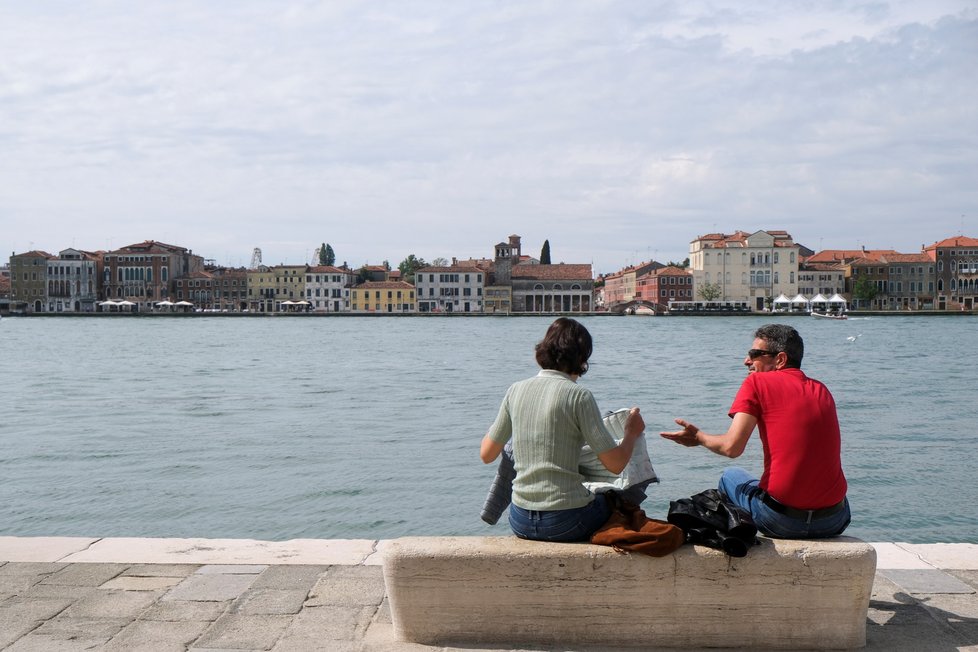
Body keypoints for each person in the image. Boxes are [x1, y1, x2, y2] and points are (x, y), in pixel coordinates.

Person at [660, 324, 850, 538]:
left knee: (730, 476)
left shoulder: (757, 382)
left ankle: (735, 535)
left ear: (780, 359)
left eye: (755, 354)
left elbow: (731, 448)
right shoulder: (822, 389)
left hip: (782, 522)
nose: (746, 360)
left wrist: (699, 437)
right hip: (835, 519)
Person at [480, 317, 645, 542]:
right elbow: (615, 465)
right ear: (582, 358)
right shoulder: (579, 396)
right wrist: (631, 434)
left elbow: (486, 454)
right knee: (615, 501)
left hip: (520, 519)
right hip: (565, 522)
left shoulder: (515, 390)